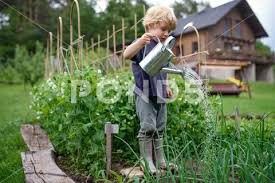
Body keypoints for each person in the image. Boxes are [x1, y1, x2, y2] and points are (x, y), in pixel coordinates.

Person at [123, 5, 177, 175]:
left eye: (169, 30)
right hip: (144, 93)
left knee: (160, 126)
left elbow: (165, 69)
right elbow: (126, 54)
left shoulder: (163, 48)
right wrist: (139, 42)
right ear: (151, 24)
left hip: (160, 93)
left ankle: (160, 161)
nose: (166, 33)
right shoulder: (143, 45)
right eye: (163, 29)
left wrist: (166, 85)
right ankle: (146, 160)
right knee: (148, 126)